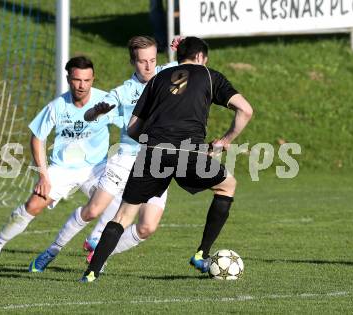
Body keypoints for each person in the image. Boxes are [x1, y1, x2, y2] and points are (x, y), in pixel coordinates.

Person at [81, 36, 253, 282]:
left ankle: (90, 273)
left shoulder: (157, 80)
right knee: (227, 185)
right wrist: (223, 142)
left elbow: (132, 128)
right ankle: (201, 253)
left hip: (153, 152)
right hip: (188, 153)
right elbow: (245, 110)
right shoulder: (209, 75)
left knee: (123, 215)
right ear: (201, 57)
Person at [28, 36, 177, 272]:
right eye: (142, 61)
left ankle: (100, 252)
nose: (148, 66)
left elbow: (195, 66)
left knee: (147, 228)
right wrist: (95, 112)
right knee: (93, 211)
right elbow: (89, 115)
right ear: (132, 62)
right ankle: (52, 250)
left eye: (152, 60)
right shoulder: (123, 92)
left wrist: (183, 45)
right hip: (126, 159)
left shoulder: (168, 74)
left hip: (158, 162)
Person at [0, 56, 121, 258]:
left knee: (119, 202)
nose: (82, 85)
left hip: (96, 167)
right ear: (69, 78)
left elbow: (129, 125)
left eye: (87, 80)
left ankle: (94, 240)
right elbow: (37, 138)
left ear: (93, 79)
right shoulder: (57, 106)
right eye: (77, 80)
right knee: (33, 206)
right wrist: (43, 176)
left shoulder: (106, 102)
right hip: (62, 168)